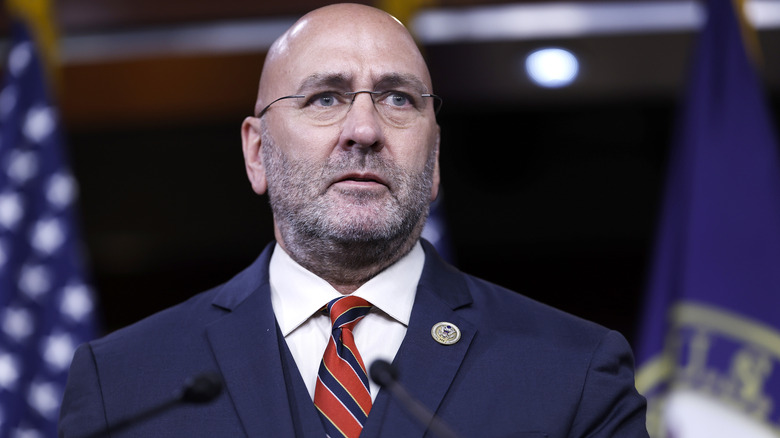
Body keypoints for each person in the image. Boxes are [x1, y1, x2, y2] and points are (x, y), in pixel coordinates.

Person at [59, 3, 648, 437]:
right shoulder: (125, 383)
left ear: (435, 158)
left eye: (397, 99)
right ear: (257, 152)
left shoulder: (574, 371)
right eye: (325, 98)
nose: (364, 131)